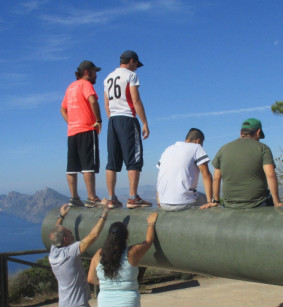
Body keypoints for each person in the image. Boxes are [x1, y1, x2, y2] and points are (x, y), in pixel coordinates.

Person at [103, 50, 152, 209]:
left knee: (112, 161)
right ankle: (132, 198)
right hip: (128, 119)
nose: (136, 68)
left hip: (113, 121)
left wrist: (111, 118)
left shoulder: (108, 78)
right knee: (134, 159)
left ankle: (111, 198)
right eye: (136, 65)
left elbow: (106, 103)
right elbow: (135, 99)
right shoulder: (130, 76)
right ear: (131, 61)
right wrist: (144, 122)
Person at [211, 118, 283, 208]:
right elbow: (270, 174)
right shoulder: (263, 148)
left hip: (229, 204)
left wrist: (216, 201)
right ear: (258, 132)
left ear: (241, 133)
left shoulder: (223, 149)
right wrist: (276, 202)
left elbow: (216, 177)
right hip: (258, 203)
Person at [61, 60, 103, 208]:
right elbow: (92, 100)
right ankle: (91, 198)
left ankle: (74, 198)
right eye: (94, 72)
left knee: (71, 166)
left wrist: (71, 122)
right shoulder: (86, 84)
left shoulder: (70, 87)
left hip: (72, 132)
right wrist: (98, 120)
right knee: (88, 165)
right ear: (87, 72)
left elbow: (63, 109)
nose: (96, 75)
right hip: (86, 129)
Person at [156, 128, 217, 211]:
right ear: (198, 141)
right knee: (211, 202)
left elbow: (161, 175)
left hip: (163, 202)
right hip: (183, 202)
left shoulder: (168, 149)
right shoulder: (196, 147)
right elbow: (206, 175)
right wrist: (210, 201)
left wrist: (159, 199)